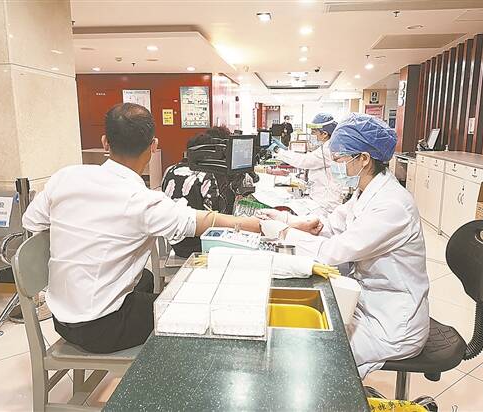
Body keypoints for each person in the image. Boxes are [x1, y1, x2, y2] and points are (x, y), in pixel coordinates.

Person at [22, 103, 260, 353]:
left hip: (61, 319)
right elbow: (202, 221)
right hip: (102, 327)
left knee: (145, 279)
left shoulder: (66, 177)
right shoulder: (142, 201)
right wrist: (262, 224)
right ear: (153, 146)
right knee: (192, 311)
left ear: (105, 142)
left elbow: (31, 221)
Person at [262, 113, 429, 378]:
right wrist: (289, 220)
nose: (336, 165)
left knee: (317, 358)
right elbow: (332, 225)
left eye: (340, 159)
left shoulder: (392, 205)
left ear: (364, 158)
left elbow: (332, 252)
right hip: (368, 303)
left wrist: (284, 233)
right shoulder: (366, 191)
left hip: (392, 322)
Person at [162, 128, 234, 258]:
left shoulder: (170, 169)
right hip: (198, 243)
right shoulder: (206, 175)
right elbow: (215, 218)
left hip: (173, 239)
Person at [272, 113, 340, 214]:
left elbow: (304, 161)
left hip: (325, 203)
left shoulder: (328, 149)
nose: (311, 134)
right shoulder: (327, 146)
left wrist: (278, 150)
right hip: (321, 198)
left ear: (324, 134)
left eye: (314, 132)